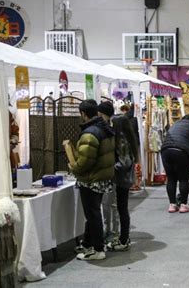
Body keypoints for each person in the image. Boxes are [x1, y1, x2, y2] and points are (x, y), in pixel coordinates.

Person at [70, 99, 115, 261]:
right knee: (93, 212)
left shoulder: (90, 133)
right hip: (102, 178)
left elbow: (85, 161)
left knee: (93, 214)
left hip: (91, 179)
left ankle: (98, 249)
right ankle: (88, 244)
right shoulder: (105, 129)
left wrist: (73, 167)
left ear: (83, 114)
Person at [106, 115, 139, 251]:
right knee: (122, 208)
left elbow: (124, 162)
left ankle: (124, 239)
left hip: (122, 178)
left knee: (122, 208)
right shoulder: (128, 138)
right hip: (124, 178)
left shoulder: (122, 141)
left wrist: (110, 167)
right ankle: (124, 238)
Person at [98, 101, 119, 240]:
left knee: (109, 203)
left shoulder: (107, 129)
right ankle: (111, 229)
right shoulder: (110, 128)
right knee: (110, 203)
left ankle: (112, 230)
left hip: (110, 170)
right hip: (112, 169)